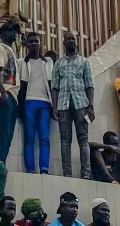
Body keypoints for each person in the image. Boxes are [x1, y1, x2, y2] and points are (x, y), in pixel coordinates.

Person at [50, 31, 94, 178]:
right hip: (63, 105)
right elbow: (55, 87)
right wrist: (54, 106)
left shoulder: (84, 61)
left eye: (73, 39)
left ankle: (85, 174)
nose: (70, 41)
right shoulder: (58, 63)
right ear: (64, 43)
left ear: (77, 42)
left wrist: (91, 106)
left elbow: (90, 86)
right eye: (68, 39)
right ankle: (67, 173)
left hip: (81, 104)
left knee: (83, 140)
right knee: (65, 140)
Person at [17, 31, 53, 173]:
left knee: (44, 137)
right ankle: (30, 170)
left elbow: (53, 84)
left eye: (36, 41)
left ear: (40, 44)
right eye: (30, 41)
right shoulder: (22, 62)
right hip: (28, 103)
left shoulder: (48, 62)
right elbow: (20, 86)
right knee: (29, 138)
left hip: (45, 103)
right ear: (26, 44)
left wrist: (54, 106)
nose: (33, 44)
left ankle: (44, 168)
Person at [0, 20, 20, 163]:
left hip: (13, 95)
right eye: (11, 31)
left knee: (9, 134)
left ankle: (1, 162)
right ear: (2, 33)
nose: (14, 34)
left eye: (15, 31)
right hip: (5, 94)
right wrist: (2, 93)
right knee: (3, 132)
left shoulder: (12, 51)